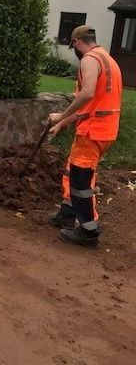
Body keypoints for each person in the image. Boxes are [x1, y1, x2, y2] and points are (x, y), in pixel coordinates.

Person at [47, 24, 122, 248]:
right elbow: (91, 104)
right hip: (105, 129)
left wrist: (61, 115)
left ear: (78, 43)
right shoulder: (108, 60)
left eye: (74, 47)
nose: (75, 51)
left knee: (80, 181)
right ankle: (68, 213)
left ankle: (88, 231)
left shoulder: (89, 59)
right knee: (73, 172)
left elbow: (87, 94)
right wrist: (62, 123)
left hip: (92, 131)